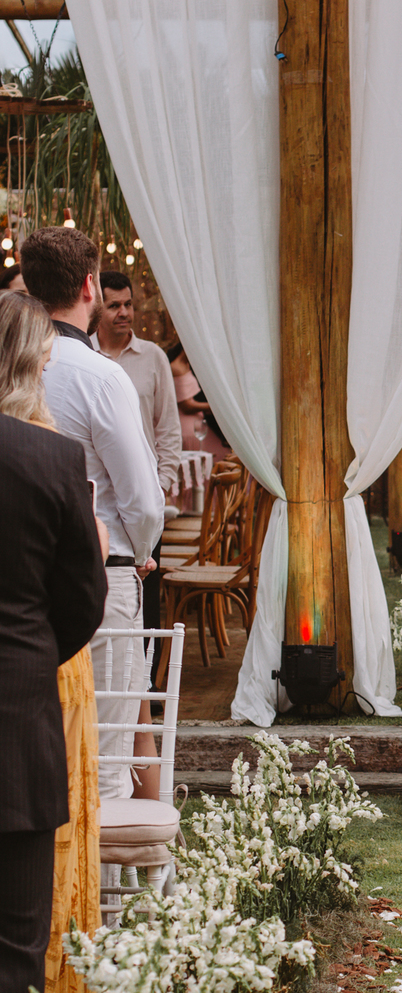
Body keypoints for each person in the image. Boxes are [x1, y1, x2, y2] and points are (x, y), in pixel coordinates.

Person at [21, 227, 164, 801]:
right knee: (104, 750)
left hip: (22, 579)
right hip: (102, 576)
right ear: (90, 286)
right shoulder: (100, 375)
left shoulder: (17, 370)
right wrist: (144, 550)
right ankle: (100, 890)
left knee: (36, 745)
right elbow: (142, 496)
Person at [0, 295, 107, 993]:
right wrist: (32, 651)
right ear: (35, 367)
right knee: (14, 945)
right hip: (18, 725)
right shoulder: (51, 458)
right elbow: (83, 599)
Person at [93, 270, 182, 635]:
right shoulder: (85, 356)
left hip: (144, 498)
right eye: (114, 305)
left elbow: (168, 429)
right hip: (100, 504)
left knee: (148, 595)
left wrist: (160, 488)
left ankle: (148, 683)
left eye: (128, 304)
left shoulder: (153, 357)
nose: (124, 312)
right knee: (104, 593)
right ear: (97, 307)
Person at [168, 342, 230, 456]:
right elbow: (186, 406)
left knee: (222, 453)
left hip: (199, 422)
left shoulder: (187, 365)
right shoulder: (176, 368)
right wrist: (216, 407)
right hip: (189, 427)